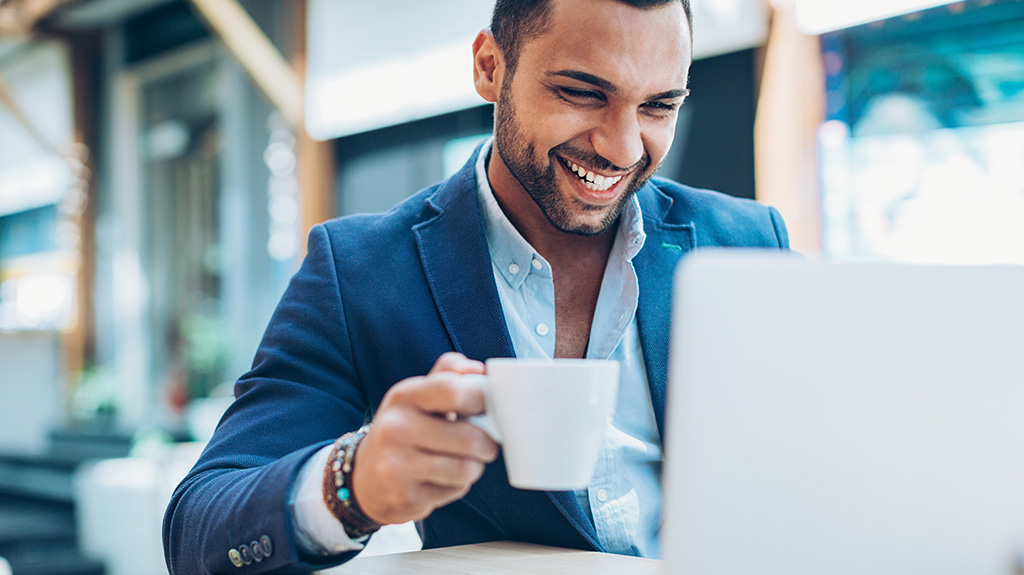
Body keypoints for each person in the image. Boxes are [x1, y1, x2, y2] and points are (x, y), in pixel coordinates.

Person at [162, 0, 789, 572]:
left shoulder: (748, 240)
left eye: (658, 106)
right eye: (581, 92)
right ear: (490, 67)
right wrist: (355, 482)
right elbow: (198, 533)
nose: (623, 147)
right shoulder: (362, 268)